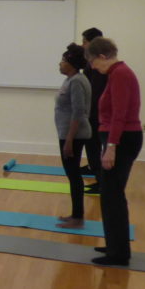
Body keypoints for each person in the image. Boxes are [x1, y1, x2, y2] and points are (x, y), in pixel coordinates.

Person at [86, 37, 143, 266]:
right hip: (120, 139)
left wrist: (111, 147)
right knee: (110, 196)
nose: (91, 67)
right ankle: (115, 245)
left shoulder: (120, 74)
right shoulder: (117, 73)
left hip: (122, 141)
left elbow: (120, 114)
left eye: (92, 61)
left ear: (102, 56)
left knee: (112, 196)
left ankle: (119, 254)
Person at [54, 44, 92, 229]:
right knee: (73, 174)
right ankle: (75, 215)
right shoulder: (71, 79)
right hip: (69, 134)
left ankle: (78, 217)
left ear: (71, 64)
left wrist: (69, 140)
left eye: (63, 60)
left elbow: (78, 112)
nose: (60, 64)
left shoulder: (77, 81)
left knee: (74, 175)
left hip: (74, 136)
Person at [81, 27, 107, 194]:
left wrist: (89, 110)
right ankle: (93, 168)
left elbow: (96, 89)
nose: (82, 45)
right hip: (92, 109)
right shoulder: (91, 61)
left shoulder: (98, 63)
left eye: (84, 41)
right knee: (91, 144)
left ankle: (101, 181)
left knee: (94, 144)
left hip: (96, 111)